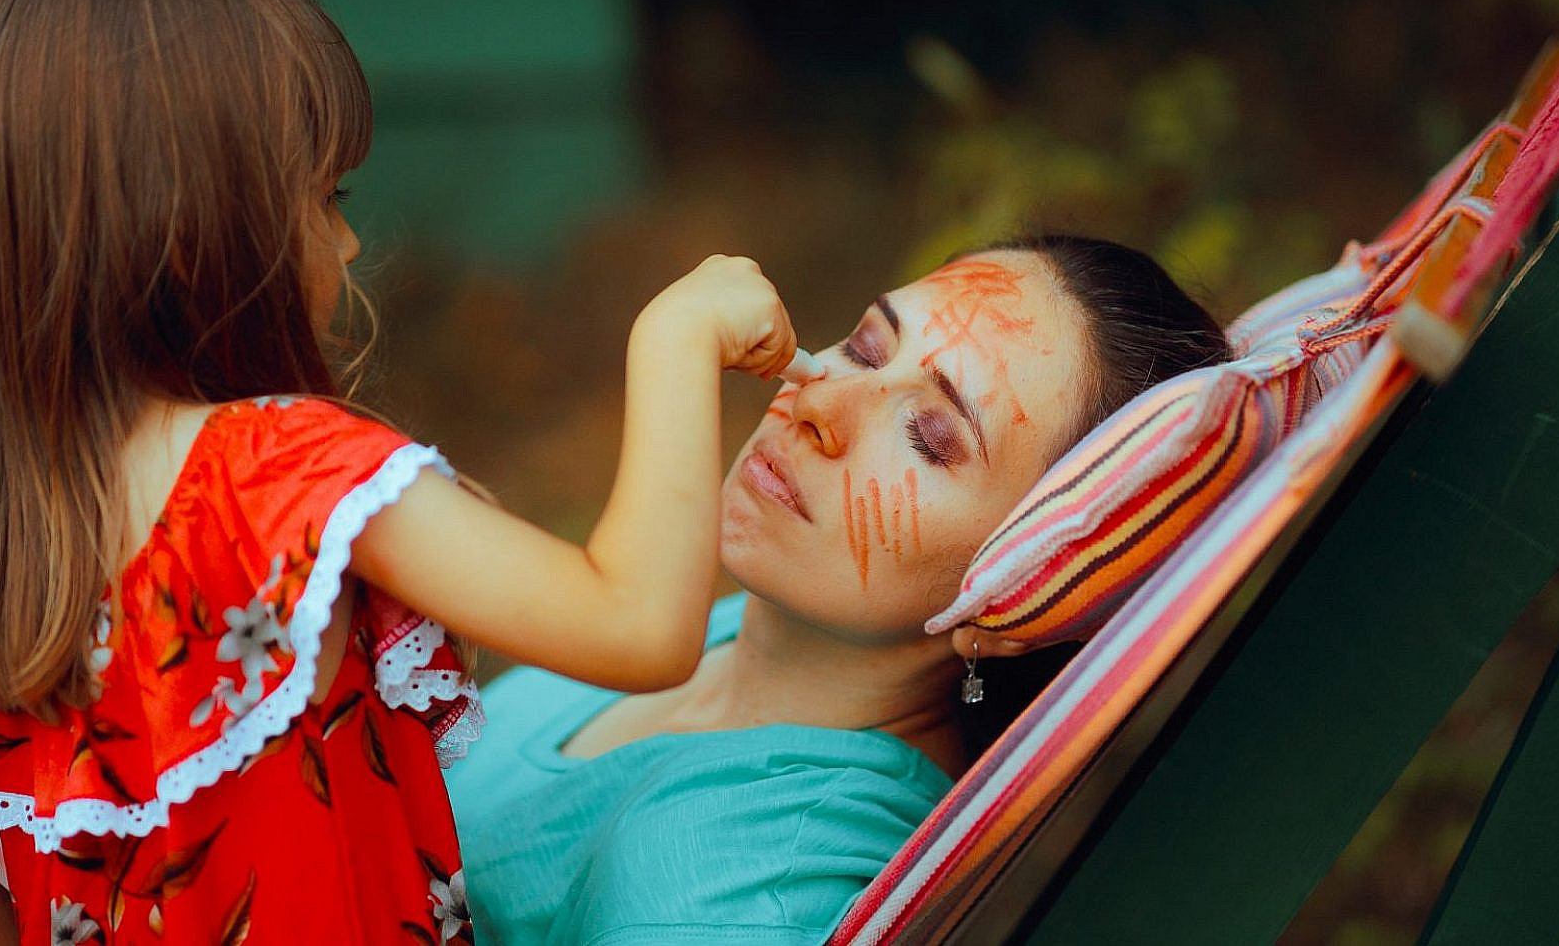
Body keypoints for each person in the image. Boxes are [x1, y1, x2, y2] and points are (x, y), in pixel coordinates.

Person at [0, 0, 803, 946]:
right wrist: (674, 339)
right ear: (201, 222)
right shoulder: (285, 477)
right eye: (325, 197)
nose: (345, 240)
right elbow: (638, 629)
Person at [447, 237, 1233, 945]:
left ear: (1024, 595)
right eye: (865, 347)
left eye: (930, 438)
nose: (821, 404)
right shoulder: (752, 632)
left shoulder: (728, 895)